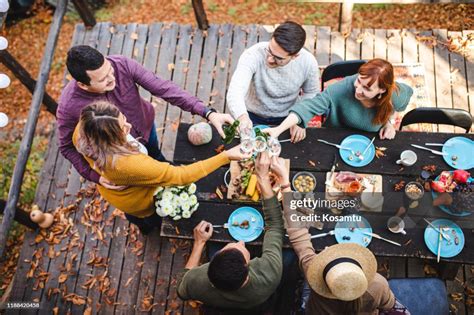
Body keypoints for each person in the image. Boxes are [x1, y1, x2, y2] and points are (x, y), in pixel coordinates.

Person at [58, 45, 234, 191]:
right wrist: (95, 176)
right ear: (82, 84)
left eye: (110, 71)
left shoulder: (121, 64)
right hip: (121, 156)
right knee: (142, 188)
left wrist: (208, 112)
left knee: (158, 158)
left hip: (146, 129)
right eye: (104, 80)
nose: (113, 79)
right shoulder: (69, 106)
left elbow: (164, 88)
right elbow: (66, 146)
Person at [72, 101, 250, 234]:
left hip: (112, 187)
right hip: (137, 200)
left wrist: (95, 176)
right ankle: (148, 228)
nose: (129, 126)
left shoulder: (85, 129)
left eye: (124, 119)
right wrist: (225, 156)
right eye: (122, 128)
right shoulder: (127, 164)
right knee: (149, 220)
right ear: (108, 140)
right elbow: (179, 176)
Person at [176, 152, 291, 310]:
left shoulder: (197, 282)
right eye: (243, 248)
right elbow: (276, 225)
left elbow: (181, 287)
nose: (241, 242)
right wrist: (263, 179)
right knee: (289, 257)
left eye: (230, 247)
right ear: (248, 271)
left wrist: (199, 243)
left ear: (209, 267)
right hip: (259, 299)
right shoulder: (269, 274)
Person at [283, 203, 410, 315]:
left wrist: (285, 187)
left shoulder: (311, 270)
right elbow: (389, 305)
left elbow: (299, 239)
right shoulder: (378, 284)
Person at [266, 58, 413, 142]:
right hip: (336, 136)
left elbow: (398, 105)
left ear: (382, 90)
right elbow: (308, 107)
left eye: (367, 89)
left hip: (371, 141)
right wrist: (278, 130)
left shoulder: (397, 95)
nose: (358, 90)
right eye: (359, 81)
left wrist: (388, 123)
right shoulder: (341, 88)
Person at [226, 21, 320, 142]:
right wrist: (242, 117)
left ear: (295, 56)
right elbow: (235, 90)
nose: (269, 59)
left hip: (289, 117)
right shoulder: (252, 54)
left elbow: (311, 93)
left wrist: (300, 116)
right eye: (269, 50)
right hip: (252, 115)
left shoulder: (308, 62)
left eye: (278, 58)